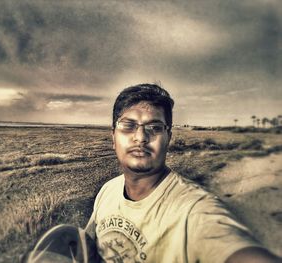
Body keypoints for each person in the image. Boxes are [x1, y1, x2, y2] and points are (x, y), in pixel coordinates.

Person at [84, 83, 282, 262]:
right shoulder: (108, 191)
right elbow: (84, 248)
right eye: (128, 126)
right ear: (113, 137)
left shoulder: (193, 211)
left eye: (155, 127)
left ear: (168, 137)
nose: (141, 137)